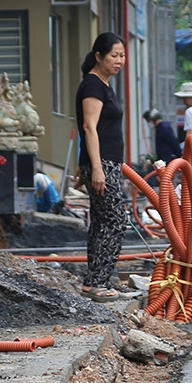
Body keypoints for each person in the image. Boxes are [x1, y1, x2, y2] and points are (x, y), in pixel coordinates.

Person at [75, 32, 135, 302]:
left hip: (106, 162)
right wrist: (95, 168)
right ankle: (98, 281)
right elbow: (88, 127)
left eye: (122, 55)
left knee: (101, 221)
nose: (119, 60)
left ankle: (94, 281)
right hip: (103, 164)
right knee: (116, 221)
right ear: (98, 56)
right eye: (114, 55)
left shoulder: (102, 84)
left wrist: (85, 164)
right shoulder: (93, 85)